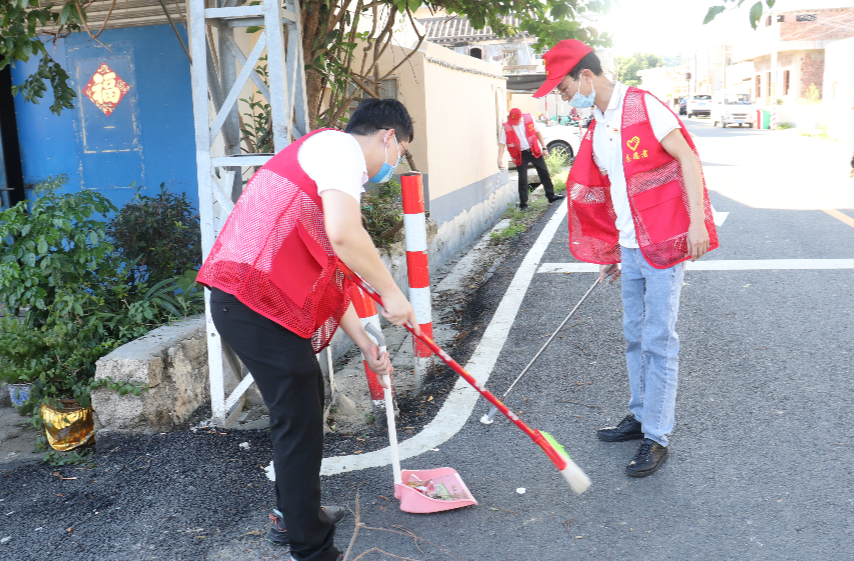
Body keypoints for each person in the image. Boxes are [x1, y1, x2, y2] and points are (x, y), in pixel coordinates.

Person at [196, 99, 420, 561]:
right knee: (298, 418)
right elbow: (345, 235)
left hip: (253, 305)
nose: (391, 167)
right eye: (398, 155)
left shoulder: (328, 159)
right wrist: (393, 293)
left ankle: (293, 515)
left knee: (302, 406)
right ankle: (311, 548)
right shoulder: (339, 149)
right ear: (388, 138)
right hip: (251, 303)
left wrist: (365, 342)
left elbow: (330, 276)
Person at [533, 40, 719, 477]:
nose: (562, 97)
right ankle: (640, 415)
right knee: (634, 334)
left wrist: (696, 223)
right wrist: (613, 249)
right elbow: (615, 190)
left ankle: (657, 436)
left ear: (585, 76)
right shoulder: (598, 124)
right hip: (631, 246)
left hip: (665, 242)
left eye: (561, 88)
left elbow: (688, 161)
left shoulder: (643, 106)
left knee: (659, 338)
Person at [497, 107, 565, 210]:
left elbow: (538, 133)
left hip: (534, 150)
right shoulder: (506, 127)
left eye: (516, 121)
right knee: (523, 179)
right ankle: (523, 204)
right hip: (520, 154)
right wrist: (499, 159)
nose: (514, 123)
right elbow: (502, 144)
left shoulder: (529, 119)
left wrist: (544, 148)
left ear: (521, 117)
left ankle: (551, 196)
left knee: (544, 173)